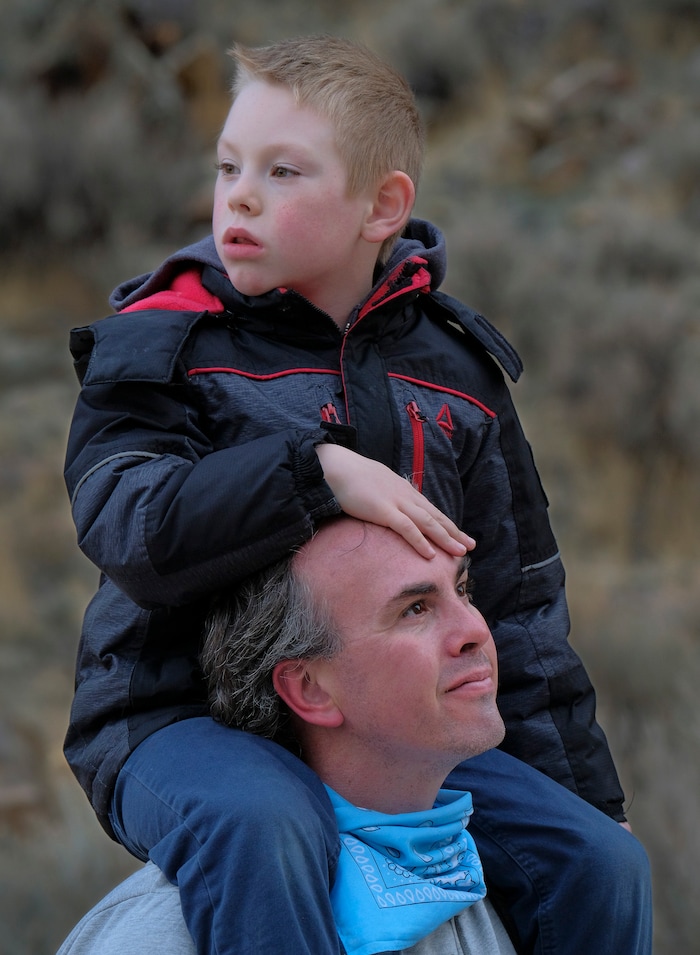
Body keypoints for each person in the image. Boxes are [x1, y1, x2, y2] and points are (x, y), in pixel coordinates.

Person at [62, 34, 651, 955]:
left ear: (383, 206)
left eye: (283, 170)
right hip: (178, 719)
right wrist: (315, 469)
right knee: (264, 823)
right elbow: (131, 525)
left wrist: (589, 800)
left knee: (597, 862)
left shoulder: (456, 373)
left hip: (388, 730)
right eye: (228, 166)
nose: (240, 195)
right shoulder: (163, 342)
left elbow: (520, 605)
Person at [58, 518, 645, 955]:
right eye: (415, 609)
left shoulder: (508, 896)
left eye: (462, 591)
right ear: (310, 688)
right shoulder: (158, 936)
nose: (474, 630)